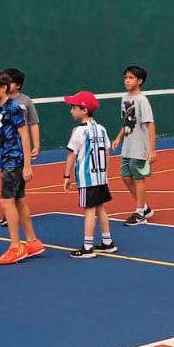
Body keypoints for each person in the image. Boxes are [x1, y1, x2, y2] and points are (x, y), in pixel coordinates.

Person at [0, 71, 44, 265]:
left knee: (6, 202)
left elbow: (24, 135)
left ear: (4, 87)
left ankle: (15, 247)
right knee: (18, 200)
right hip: (5, 160)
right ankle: (32, 242)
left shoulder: (14, 108)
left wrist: (27, 165)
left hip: (15, 160)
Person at [61, 91, 117, 259]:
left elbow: (72, 155)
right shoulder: (102, 129)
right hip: (100, 176)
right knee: (100, 208)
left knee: (90, 210)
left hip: (87, 178)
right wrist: (105, 172)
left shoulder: (79, 131)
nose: (71, 110)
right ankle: (107, 242)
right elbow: (107, 152)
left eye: (74, 107)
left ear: (84, 110)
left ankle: (87, 247)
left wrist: (66, 176)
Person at [111, 65, 157, 226]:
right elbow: (126, 122)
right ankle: (144, 208)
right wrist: (118, 138)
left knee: (138, 179)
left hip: (140, 147)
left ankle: (140, 213)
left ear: (140, 81)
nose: (127, 80)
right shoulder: (125, 98)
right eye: (126, 77)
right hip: (128, 146)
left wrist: (151, 150)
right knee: (125, 177)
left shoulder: (142, 100)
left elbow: (150, 125)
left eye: (131, 78)